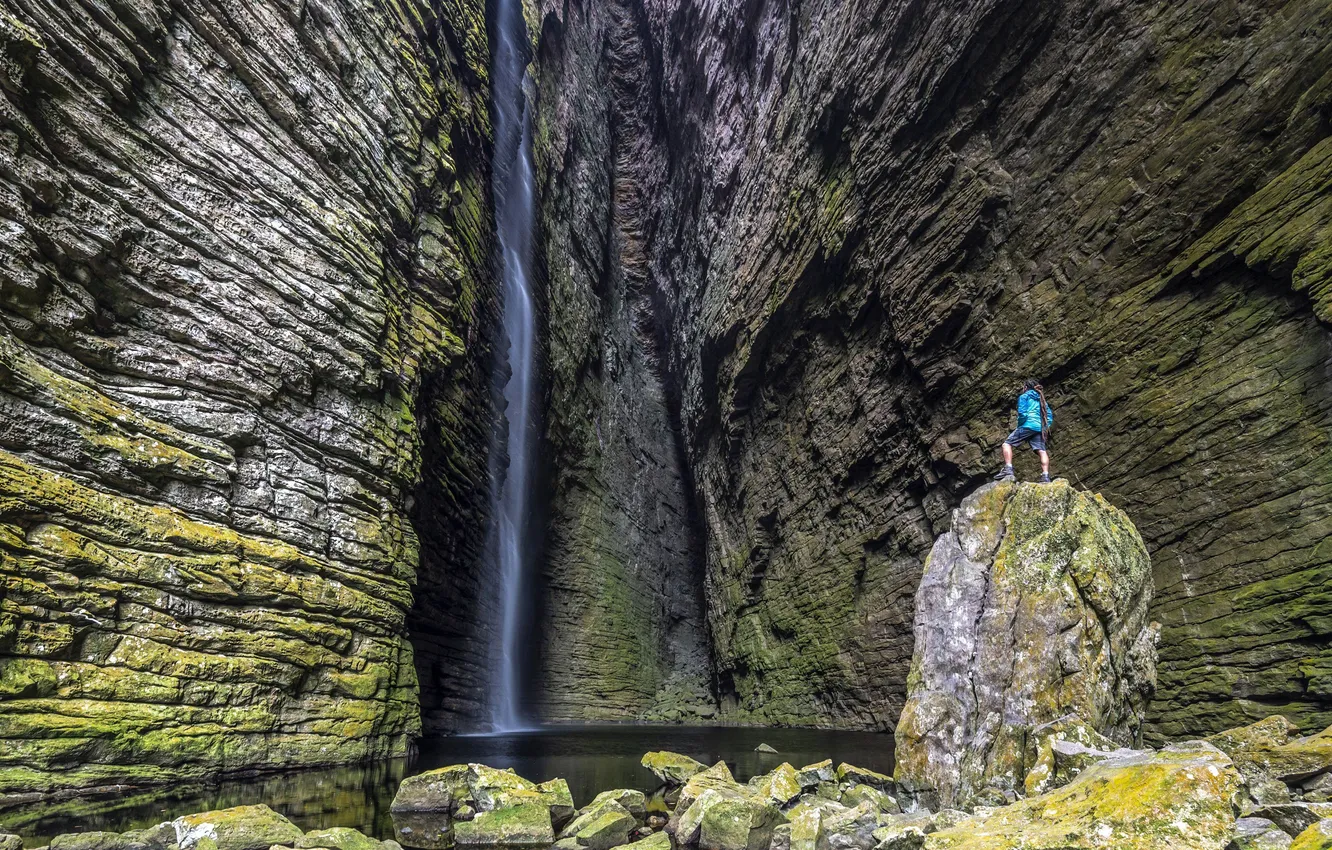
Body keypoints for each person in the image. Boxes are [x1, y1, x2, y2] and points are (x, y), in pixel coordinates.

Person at [994, 379, 1053, 483]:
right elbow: (1049, 416)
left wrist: (1021, 424)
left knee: (1006, 444)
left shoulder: (1024, 397)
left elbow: (1022, 413)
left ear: (1025, 387)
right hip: (1039, 428)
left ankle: (1008, 468)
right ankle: (1045, 476)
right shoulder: (1041, 399)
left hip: (1027, 425)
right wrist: (1044, 428)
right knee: (1042, 451)